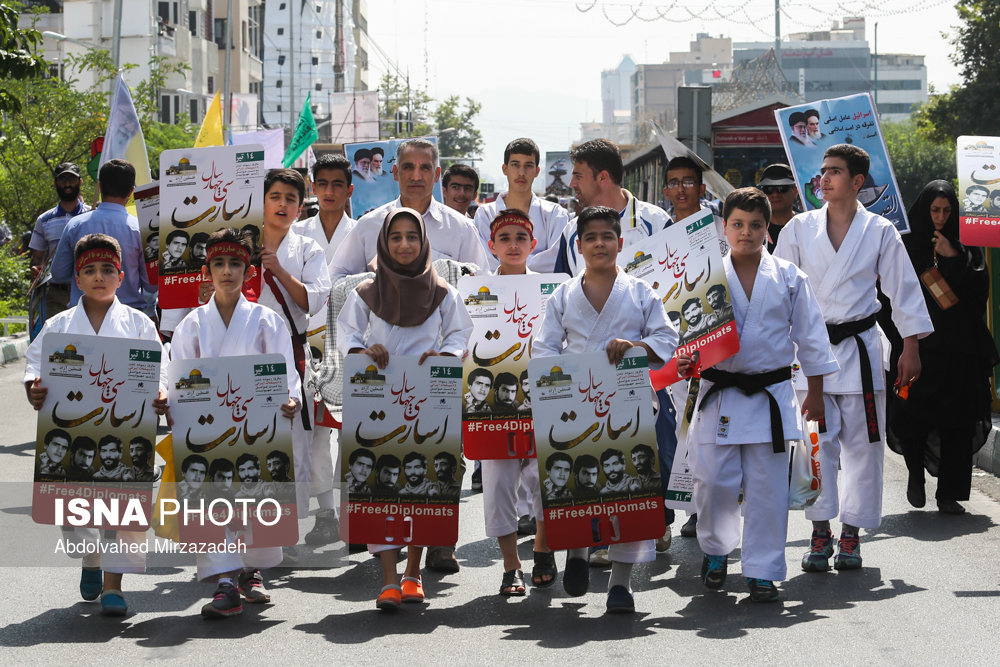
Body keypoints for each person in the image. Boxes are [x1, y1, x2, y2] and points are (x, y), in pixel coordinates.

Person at [775, 144, 933, 573]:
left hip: (861, 350)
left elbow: (902, 291)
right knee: (817, 449)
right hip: (810, 354)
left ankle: (851, 535)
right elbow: (777, 292)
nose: (823, 179)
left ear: (858, 182)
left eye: (835, 172)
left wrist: (911, 346)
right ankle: (820, 531)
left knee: (865, 449)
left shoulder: (880, 230)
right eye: (822, 171)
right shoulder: (797, 229)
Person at [533, 205, 686, 614]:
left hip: (628, 405)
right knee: (581, 483)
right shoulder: (564, 294)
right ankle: (579, 554)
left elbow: (667, 341)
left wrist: (636, 347)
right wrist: (560, 377)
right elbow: (544, 348)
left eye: (608, 236)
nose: (600, 243)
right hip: (574, 406)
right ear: (579, 245)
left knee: (628, 490)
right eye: (592, 238)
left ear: (620, 242)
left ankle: (621, 583)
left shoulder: (640, 291)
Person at [691, 187, 837, 603]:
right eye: (737, 224)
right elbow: (684, 338)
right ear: (724, 226)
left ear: (768, 229)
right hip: (720, 391)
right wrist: (684, 361)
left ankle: (762, 569)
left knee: (766, 487)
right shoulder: (705, 276)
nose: (746, 233)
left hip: (771, 393)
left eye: (756, 225)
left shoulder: (790, 277)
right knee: (714, 481)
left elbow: (811, 337)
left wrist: (817, 391)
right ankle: (717, 551)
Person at [336, 207, 473, 611]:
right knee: (381, 486)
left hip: (428, 397)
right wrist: (364, 350)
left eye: (412, 236)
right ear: (384, 243)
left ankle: (413, 573)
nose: (404, 244)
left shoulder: (443, 290)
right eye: (395, 237)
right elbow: (345, 333)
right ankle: (389, 579)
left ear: (423, 241)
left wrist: (443, 355)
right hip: (378, 400)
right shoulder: (365, 290)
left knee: (420, 484)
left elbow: (461, 332)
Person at [24, 232, 165, 616]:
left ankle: (114, 585)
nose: (99, 276)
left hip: (126, 430)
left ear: (121, 276)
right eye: (89, 270)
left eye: (107, 269)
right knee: (76, 514)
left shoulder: (138, 324)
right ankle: (90, 560)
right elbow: (35, 367)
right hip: (73, 435)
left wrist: (162, 392)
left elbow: (160, 368)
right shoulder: (58, 325)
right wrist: (33, 390)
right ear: (78, 279)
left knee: (123, 507)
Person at [168, 227, 301, 619]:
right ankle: (225, 581)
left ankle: (250, 568)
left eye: (236, 264)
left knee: (252, 490)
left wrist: (290, 398)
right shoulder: (190, 325)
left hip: (255, 425)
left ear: (249, 271)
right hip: (207, 428)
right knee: (211, 494)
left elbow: (285, 373)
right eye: (220, 264)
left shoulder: (266, 322)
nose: (227, 271)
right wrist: (172, 402)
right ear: (207, 271)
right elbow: (179, 377)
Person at [887, 181, 998, 515]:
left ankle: (949, 493)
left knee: (959, 419)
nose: (940, 217)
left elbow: (979, 294)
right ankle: (915, 476)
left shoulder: (965, 246)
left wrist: (955, 257)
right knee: (912, 415)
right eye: (934, 210)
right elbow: (889, 292)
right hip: (918, 346)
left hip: (959, 348)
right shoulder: (904, 245)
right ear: (924, 209)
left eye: (947, 211)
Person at [476, 209, 554, 594]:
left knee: (544, 479)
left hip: (543, 401)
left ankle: (541, 549)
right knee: (498, 485)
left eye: (520, 238)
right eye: (504, 239)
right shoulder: (476, 292)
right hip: (492, 404)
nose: (512, 245)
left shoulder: (553, 290)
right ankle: (511, 566)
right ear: (492, 247)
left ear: (532, 245)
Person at [293, 154, 357, 546]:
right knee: (317, 433)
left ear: (350, 190)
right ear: (312, 188)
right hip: (311, 346)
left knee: (354, 433)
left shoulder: (365, 231)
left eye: (338, 185)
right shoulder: (296, 235)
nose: (330, 191)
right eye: (323, 184)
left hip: (354, 347)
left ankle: (354, 510)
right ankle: (326, 513)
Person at [329, 138, 490, 284]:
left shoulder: (460, 228)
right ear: (396, 172)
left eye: (425, 168)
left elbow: (481, 285)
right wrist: (375, 283)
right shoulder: (370, 225)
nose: (416, 176)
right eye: (408, 167)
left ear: (437, 175)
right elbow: (335, 278)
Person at [552, 139, 671, 277]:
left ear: (603, 177)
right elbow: (561, 292)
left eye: (578, 177)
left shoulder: (657, 222)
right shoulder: (571, 232)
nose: (572, 184)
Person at [49, 160, 156, 314]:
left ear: (99, 186)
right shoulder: (140, 230)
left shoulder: (75, 225)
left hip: (82, 318)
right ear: (131, 191)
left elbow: (58, 275)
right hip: (127, 319)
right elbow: (151, 285)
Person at [473, 138, 570, 272]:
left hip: (543, 291)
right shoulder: (485, 214)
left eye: (528, 166)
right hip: (497, 289)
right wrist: (522, 261)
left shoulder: (555, 213)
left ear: (537, 171)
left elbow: (556, 258)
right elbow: (484, 260)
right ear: (505, 169)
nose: (521, 173)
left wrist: (509, 261)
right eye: (515, 165)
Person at [29, 162, 91, 318]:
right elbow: (37, 259)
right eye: (63, 180)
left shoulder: (93, 215)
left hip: (89, 292)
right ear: (55, 183)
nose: (67, 184)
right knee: (56, 341)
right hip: (56, 294)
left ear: (80, 182)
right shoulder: (44, 220)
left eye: (72, 179)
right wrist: (36, 269)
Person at [756, 163, 799, 252]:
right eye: (769, 189)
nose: (775, 194)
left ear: (795, 191)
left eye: (781, 188)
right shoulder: (755, 229)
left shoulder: (807, 225)